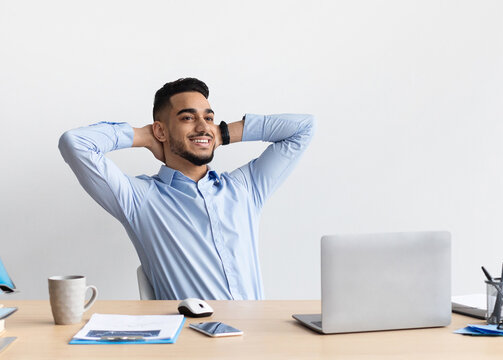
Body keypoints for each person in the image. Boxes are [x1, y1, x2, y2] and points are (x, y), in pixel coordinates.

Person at [59, 78, 316, 300]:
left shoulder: (245, 188)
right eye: (187, 118)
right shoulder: (140, 198)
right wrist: (145, 136)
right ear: (161, 129)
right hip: (194, 343)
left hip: (260, 342)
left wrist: (223, 133)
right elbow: (76, 143)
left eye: (209, 117)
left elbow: (303, 128)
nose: (203, 126)